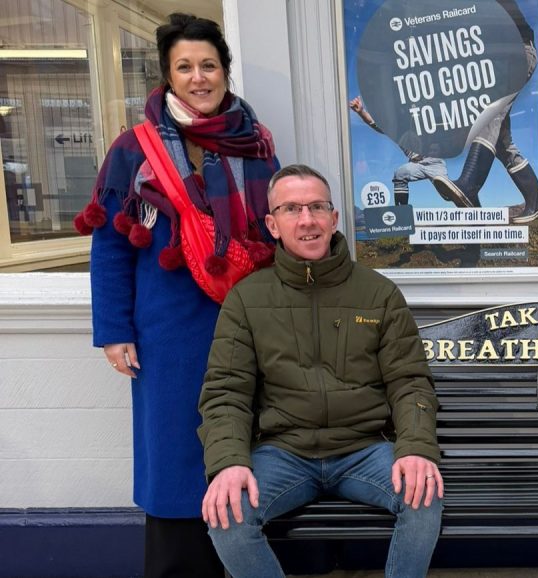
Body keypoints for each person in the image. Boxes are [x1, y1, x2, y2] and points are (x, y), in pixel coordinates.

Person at [76, 13, 278, 577]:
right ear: (167, 75)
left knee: (245, 439)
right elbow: (111, 248)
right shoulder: (133, 150)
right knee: (174, 451)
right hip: (167, 330)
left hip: (245, 320)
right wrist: (114, 330)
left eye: (208, 65)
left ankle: (241, 560)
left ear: (225, 71)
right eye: (184, 67)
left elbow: (277, 229)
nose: (198, 77)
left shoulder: (255, 144)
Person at [198, 164, 443, 578]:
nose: (307, 219)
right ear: (273, 225)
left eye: (316, 207)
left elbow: (409, 381)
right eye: (292, 209)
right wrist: (229, 462)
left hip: (365, 448)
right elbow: (226, 392)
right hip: (284, 452)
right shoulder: (247, 299)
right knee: (228, 513)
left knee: (424, 499)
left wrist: (416, 448)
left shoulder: (378, 293)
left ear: (334, 218)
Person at [434, 0, 538, 224]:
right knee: (502, 142)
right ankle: (536, 200)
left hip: (517, 55)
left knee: (490, 116)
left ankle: (469, 184)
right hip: (502, 62)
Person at [348, 95, 454, 207]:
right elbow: (374, 123)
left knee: (448, 194)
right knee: (400, 174)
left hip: (434, 162)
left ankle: (467, 202)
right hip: (416, 164)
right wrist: (361, 112)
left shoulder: (427, 123)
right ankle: (402, 210)